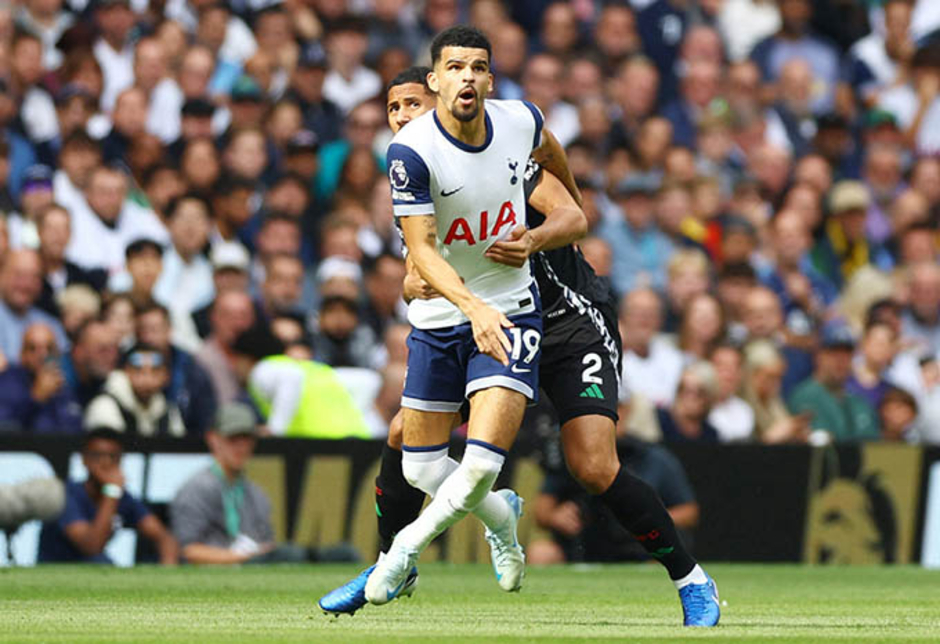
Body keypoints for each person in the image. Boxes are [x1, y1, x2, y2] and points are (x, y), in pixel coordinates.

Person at [325, 40, 717, 627]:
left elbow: (571, 210)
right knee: (407, 435)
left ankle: (692, 579)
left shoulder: (507, 145)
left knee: (592, 465)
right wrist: (419, 287)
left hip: (563, 319)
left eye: (411, 103)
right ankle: (393, 562)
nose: (403, 118)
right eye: (393, 109)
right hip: (476, 315)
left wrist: (537, 238)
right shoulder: (414, 165)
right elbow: (418, 270)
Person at [170, 403, 356, 564]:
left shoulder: (255, 493)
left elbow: (265, 543)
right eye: (233, 439)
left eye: (246, 440)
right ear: (213, 439)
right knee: (290, 556)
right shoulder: (197, 489)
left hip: (253, 562)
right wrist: (241, 558)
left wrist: (258, 555)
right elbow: (188, 551)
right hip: (226, 566)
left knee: (340, 553)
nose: (241, 448)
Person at [37, 427, 179, 564]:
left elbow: (164, 538)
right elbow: (91, 546)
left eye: (113, 456)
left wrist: (168, 569)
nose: (106, 462)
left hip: (94, 565)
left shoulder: (124, 498)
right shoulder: (68, 494)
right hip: (59, 567)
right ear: (84, 459)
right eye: (97, 456)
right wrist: (111, 491)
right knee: (100, 562)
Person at [230, 324, 369, 439]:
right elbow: (367, 381)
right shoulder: (314, 369)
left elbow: (291, 377)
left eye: (236, 360)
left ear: (246, 359)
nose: (234, 367)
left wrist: (275, 430)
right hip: (357, 437)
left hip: (320, 445)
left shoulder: (263, 369)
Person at [788, 321, 881, 442]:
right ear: (818, 355)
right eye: (833, 352)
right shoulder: (804, 396)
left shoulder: (858, 402)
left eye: (847, 353)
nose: (841, 360)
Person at [83, 342, 186, 437]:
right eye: (138, 370)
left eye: (155, 371)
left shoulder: (169, 410)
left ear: (166, 376)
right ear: (124, 371)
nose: (147, 379)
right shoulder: (104, 406)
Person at [0, 322, 82, 433]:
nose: (42, 354)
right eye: (33, 348)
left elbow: (75, 430)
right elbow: (5, 429)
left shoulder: (64, 386)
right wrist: (35, 399)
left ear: (58, 354)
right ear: (22, 355)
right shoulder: (7, 383)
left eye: (49, 348)